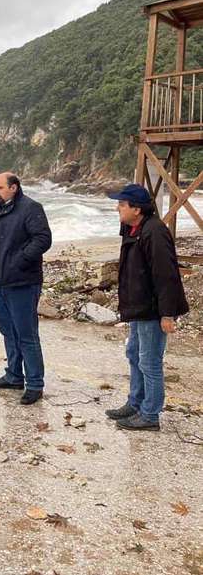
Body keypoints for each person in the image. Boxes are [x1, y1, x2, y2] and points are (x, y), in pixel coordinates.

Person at [105, 183, 189, 431]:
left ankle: (150, 414)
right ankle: (136, 403)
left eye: (122, 204)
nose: (117, 208)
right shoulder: (133, 228)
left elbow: (166, 276)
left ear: (137, 209)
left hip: (152, 309)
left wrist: (167, 314)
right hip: (138, 307)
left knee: (149, 361)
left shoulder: (154, 232)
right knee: (134, 354)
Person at [0, 172, 52, 405]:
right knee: (8, 331)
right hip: (1, 281)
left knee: (26, 334)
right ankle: (13, 376)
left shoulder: (30, 208)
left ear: (14, 187)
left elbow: (43, 239)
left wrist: (19, 260)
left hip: (23, 282)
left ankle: (35, 384)